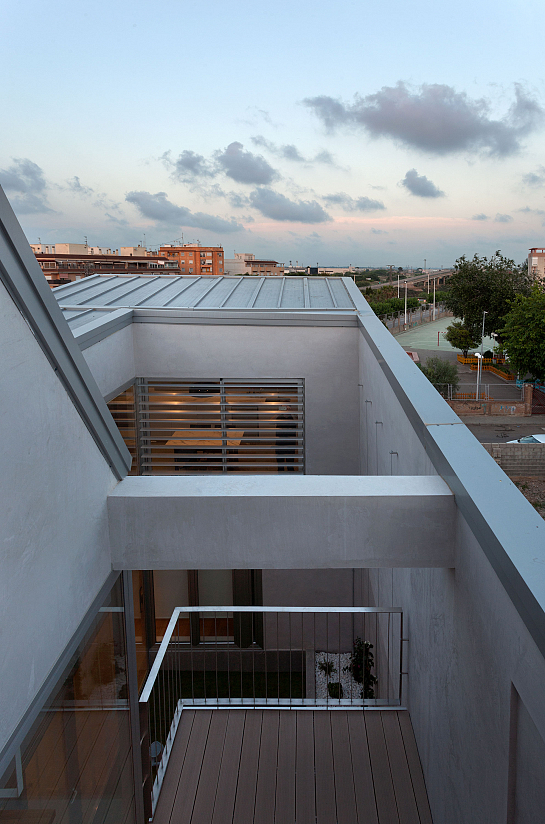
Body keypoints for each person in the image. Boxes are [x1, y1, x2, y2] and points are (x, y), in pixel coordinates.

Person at [275, 404, 296, 471]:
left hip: (290, 441)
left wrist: (291, 412)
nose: (285, 409)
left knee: (290, 463)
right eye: (283, 407)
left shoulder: (292, 417)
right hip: (280, 441)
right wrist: (278, 412)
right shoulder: (279, 416)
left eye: (287, 407)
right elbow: (270, 422)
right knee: (280, 463)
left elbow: (298, 422)